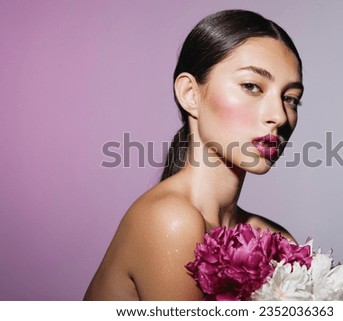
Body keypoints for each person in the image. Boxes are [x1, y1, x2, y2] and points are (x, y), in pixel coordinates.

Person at [84, 9, 304, 300]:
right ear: (190, 93)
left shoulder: (275, 241)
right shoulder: (168, 220)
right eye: (252, 86)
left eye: (291, 99)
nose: (279, 115)